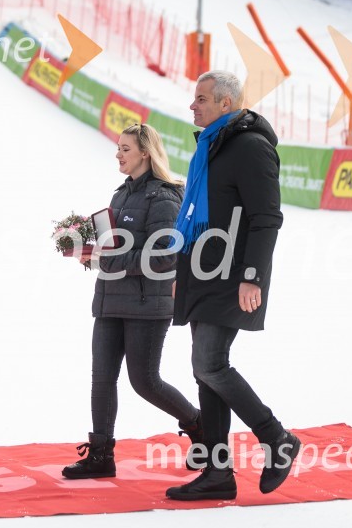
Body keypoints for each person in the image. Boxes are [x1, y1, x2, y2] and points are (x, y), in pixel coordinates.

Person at [165, 71, 300, 500]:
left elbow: (267, 218)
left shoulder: (250, 147)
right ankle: (218, 474)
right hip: (202, 271)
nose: (193, 106)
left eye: (201, 99)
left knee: (210, 365)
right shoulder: (211, 147)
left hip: (232, 275)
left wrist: (252, 276)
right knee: (205, 373)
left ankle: (276, 438)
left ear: (226, 104)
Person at [62, 123, 203, 479]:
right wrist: (89, 252)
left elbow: (164, 256)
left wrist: (109, 259)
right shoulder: (120, 195)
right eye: (118, 147)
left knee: (145, 381)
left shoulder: (165, 198)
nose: (118, 154)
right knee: (102, 379)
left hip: (147, 305)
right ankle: (100, 456)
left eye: (125, 148)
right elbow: (114, 248)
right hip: (110, 300)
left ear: (145, 152)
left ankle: (200, 426)